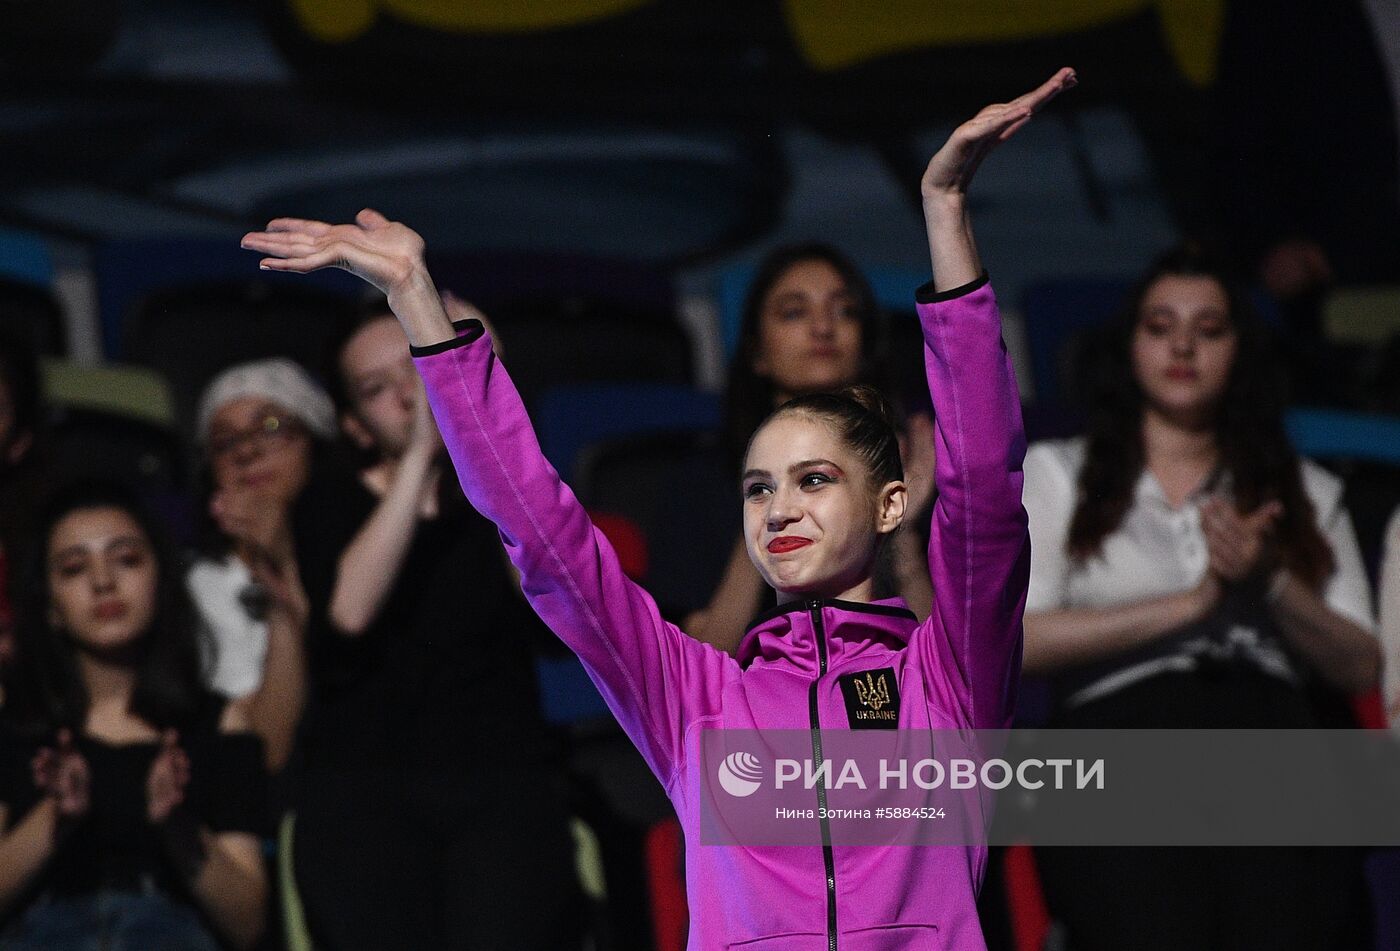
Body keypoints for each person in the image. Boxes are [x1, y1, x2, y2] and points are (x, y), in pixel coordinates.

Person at [243, 67, 1073, 949]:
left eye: (815, 479)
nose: (779, 507)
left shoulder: (944, 683)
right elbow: (543, 533)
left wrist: (945, 212)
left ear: (891, 501)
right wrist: (419, 304)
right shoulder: (698, 699)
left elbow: (986, 493)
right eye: (759, 487)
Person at [1021, 244, 1380, 949]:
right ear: (1129, 346)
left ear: (1240, 351)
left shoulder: (1304, 488)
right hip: (1116, 738)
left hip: (1268, 738)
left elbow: (1362, 663)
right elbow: (1016, 639)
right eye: (1160, 325)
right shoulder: (1060, 471)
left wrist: (1269, 579)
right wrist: (1192, 604)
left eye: (1209, 328)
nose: (1182, 344)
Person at [283, 309, 582, 950]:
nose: (409, 392)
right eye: (376, 387)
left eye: (417, 368)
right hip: (366, 794)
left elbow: (556, 612)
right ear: (354, 426)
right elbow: (348, 614)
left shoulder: (499, 495)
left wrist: (483, 433)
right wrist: (421, 448)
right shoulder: (325, 502)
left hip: (499, 783)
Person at [0, 481, 268, 950]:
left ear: (161, 580)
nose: (103, 582)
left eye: (126, 560)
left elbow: (248, 925)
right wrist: (55, 818)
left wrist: (178, 826)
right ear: (51, 608)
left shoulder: (216, 722)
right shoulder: (19, 724)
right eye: (74, 568)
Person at [687, 242, 938, 653]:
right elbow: (705, 664)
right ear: (757, 353)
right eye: (794, 312)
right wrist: (768, 494)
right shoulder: (704, 475)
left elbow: (949, 683)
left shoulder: (907, 465)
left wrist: (902, 528)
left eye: (844, 311)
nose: (823, 328)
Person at [188, 358, 324, 772]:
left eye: (271, 427)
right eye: (225, 441)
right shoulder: (200, 584)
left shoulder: (366, 555)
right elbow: (263, 753)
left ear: (316, 441)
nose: (246, 451)